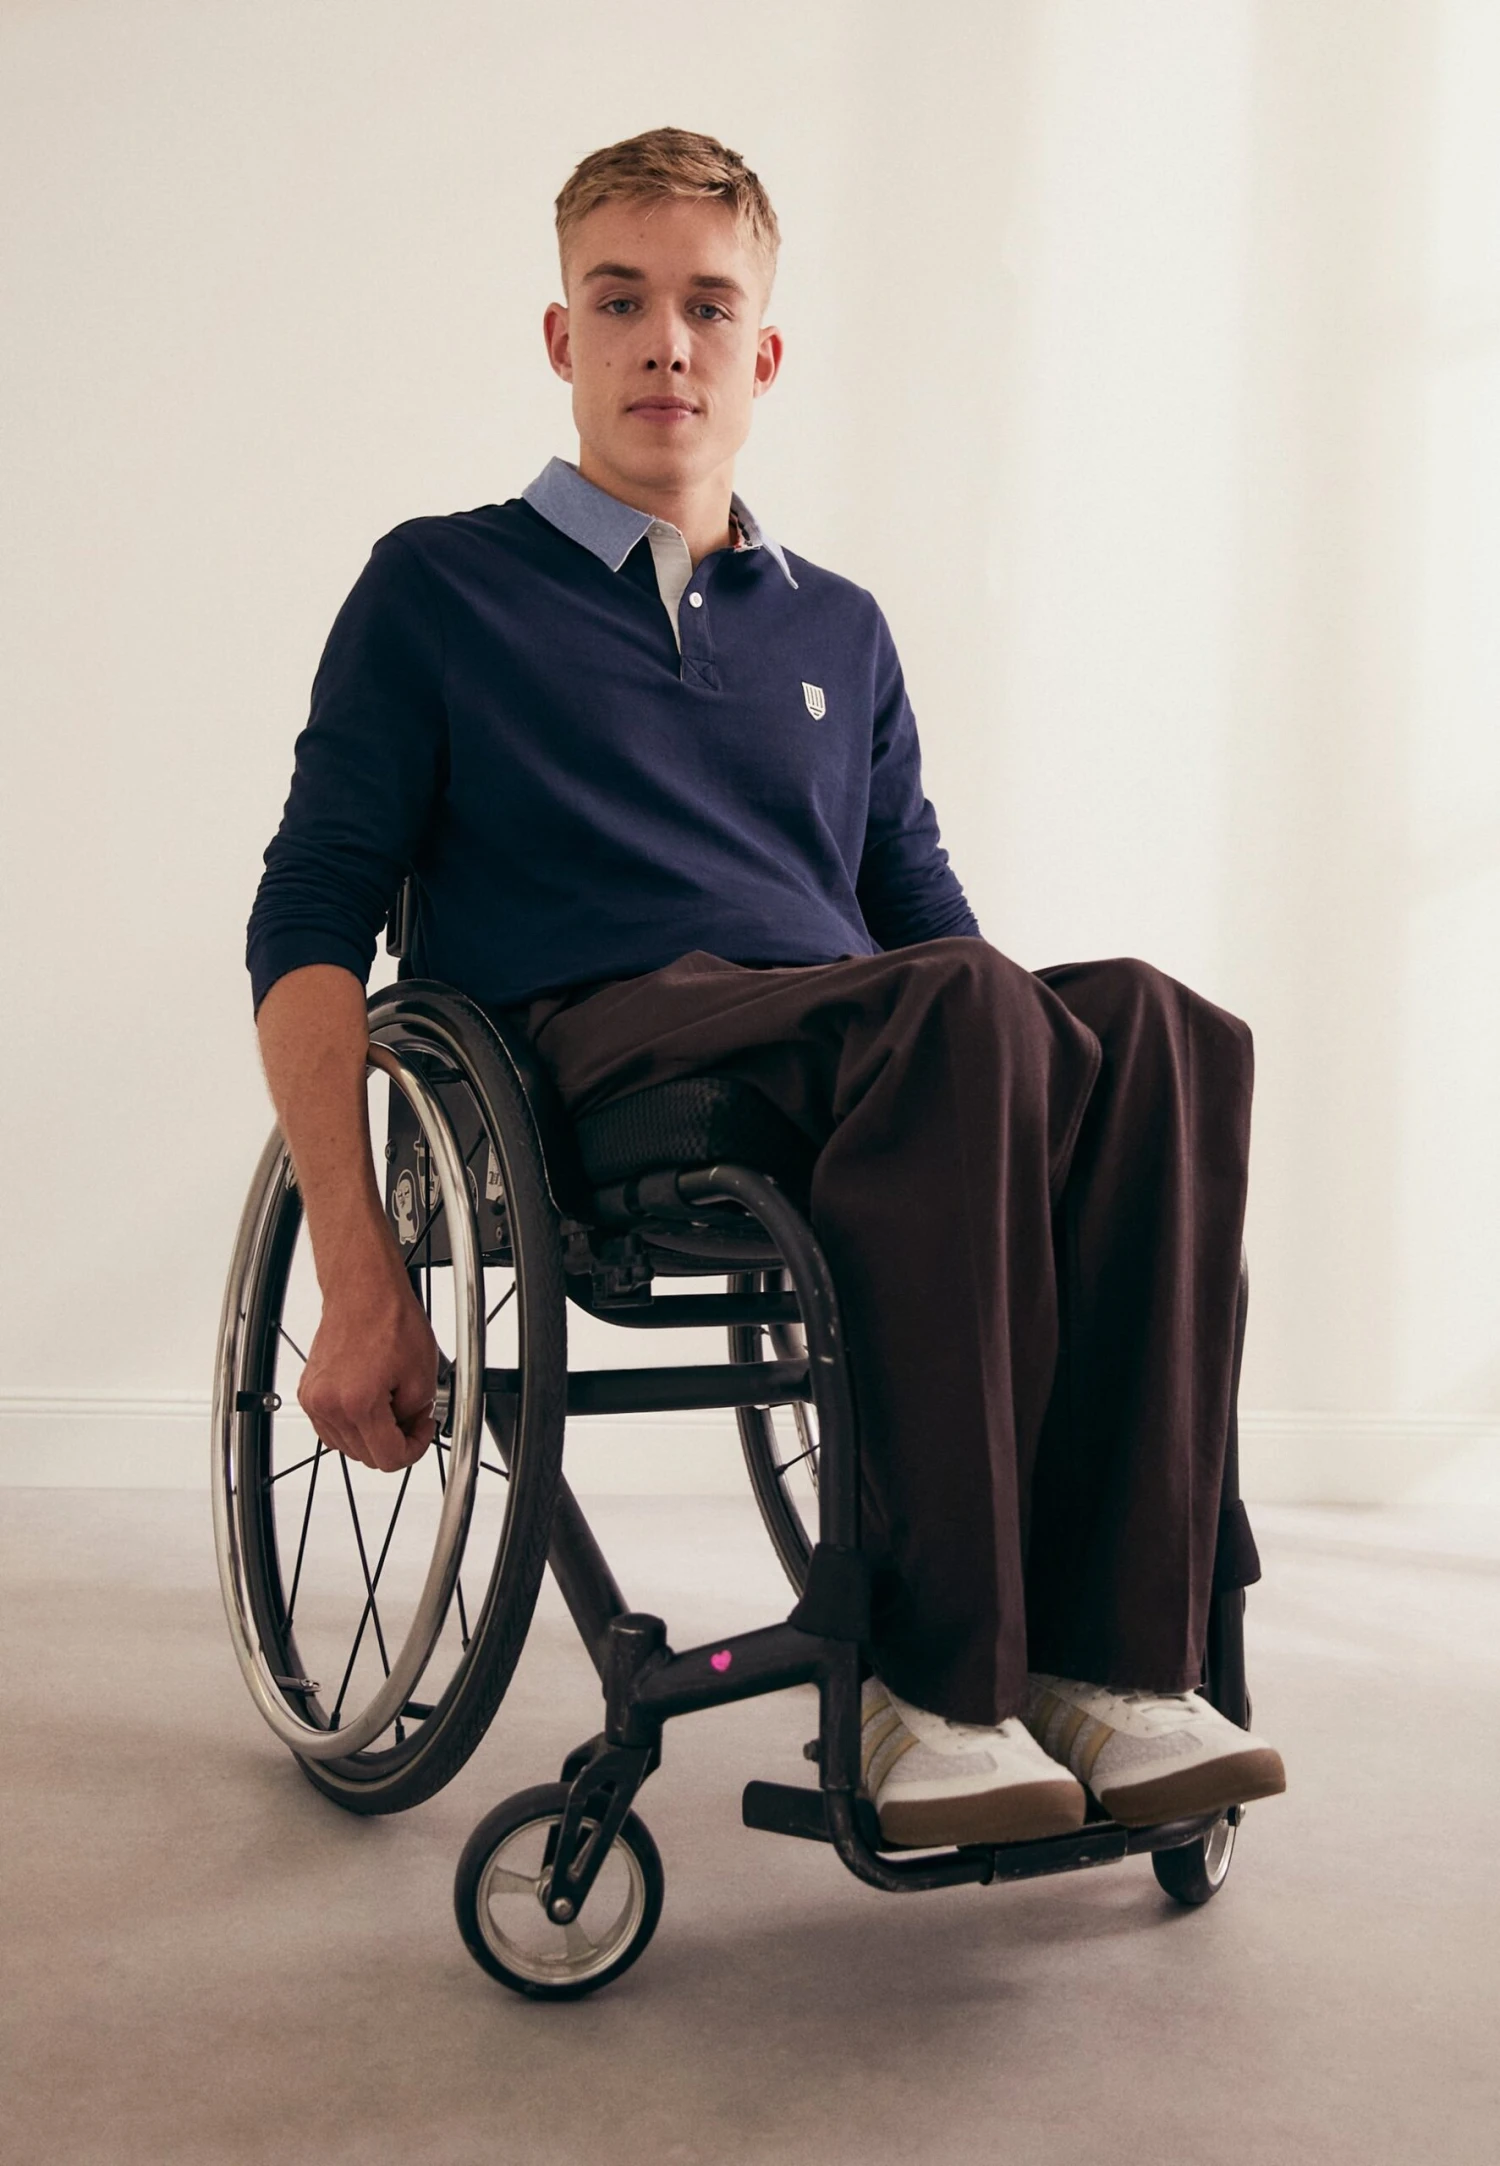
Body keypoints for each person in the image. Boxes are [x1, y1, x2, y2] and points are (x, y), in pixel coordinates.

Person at [247, 126, 1285, 1850]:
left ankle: (1113, 1663)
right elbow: (305, 921)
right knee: (961, 1013)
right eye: (621, 301)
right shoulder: (438, 586)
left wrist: (1061, 1095)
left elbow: (933, 926)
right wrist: (359, 1273)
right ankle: (924, 1688)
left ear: (765, 351)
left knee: (1166, 1028)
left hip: (854, 1046)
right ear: (562, 338)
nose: (667, 341)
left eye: (709, 306)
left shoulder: (838, 630)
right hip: (587, 1058)